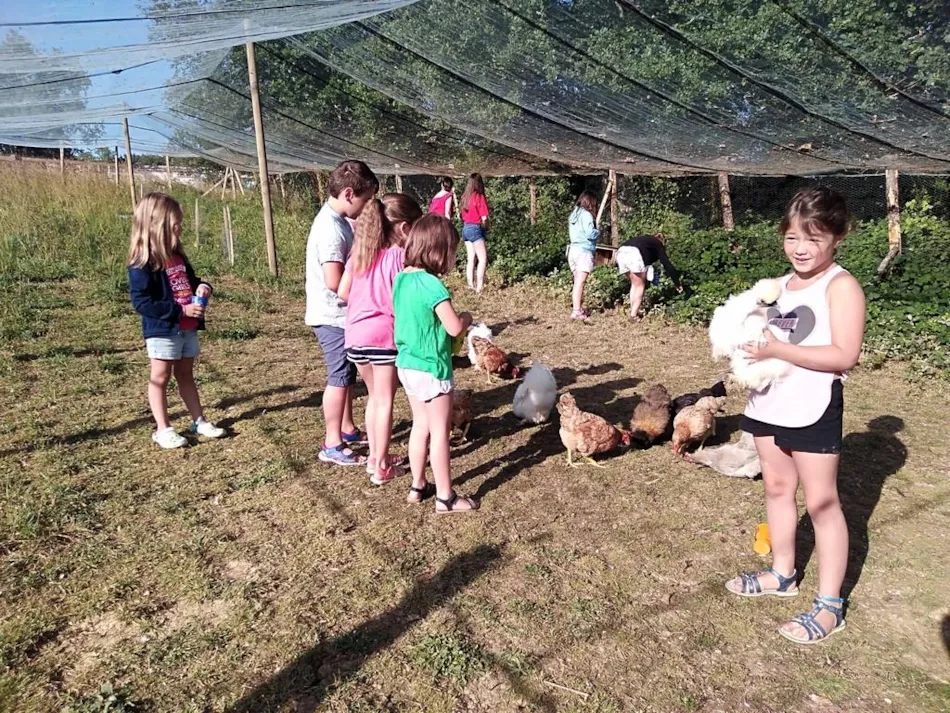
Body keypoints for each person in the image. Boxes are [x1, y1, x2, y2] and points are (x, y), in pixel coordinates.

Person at [725, 187, 866, 645]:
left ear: (837, 237)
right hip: (770, 402)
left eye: (813, 238)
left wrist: (778, 348)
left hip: (813, 407)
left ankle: (830, 607)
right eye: (791, 237)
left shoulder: (841, 286)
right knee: (777, 487)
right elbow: (766, 339)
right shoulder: (780, 287)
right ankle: (782, 573)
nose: (800, 248)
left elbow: (846, 354)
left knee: (822, 503)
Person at [393, 214, 479, 513]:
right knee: (440, 432)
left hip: (407, 364)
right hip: (432, 367)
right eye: (452, 251)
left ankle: (418, 485)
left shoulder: (402, 278)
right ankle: (446, 496)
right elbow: (454, 327)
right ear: (439, 251)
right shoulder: (432, 286)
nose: (453, 257)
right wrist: (467, 318)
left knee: (421, 425)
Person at [127, 192, 226, 449]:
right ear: (156, 225)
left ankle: (199, 420)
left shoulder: (178, 258)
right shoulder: (143, 263)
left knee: (186, 374)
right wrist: (180, 312)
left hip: (187, 329)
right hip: (163, 329)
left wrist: (203, 287)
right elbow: (142, 302)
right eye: (175, 224)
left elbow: (192, 283)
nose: (180, 229)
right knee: (160, 376)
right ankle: (163, 428)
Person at [338, 193, 422, 485]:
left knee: (374, 397)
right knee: (385, 399)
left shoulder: (361, 254)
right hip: (383, 335)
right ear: (403, 228)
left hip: (355, 335)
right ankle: (382, 466)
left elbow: (343, 291)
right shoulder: (400, 256)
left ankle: (375, 457)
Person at [306, 159, 379, 466]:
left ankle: (347, 429)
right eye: (365, 201)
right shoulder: (331, 231)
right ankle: (332, 442)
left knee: (347, 375)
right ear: (350, 194)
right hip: (332, 316)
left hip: (339, 315)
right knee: (338, 377)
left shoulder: (338, 222)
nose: (366, 208)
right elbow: (336, 282)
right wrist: (369, 301)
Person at [616, 232, 683, 321]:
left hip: (621, 252)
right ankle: (633, 316)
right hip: (634, 253)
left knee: (635, 284)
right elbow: (667, 264)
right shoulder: (658, 244)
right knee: (640, 286)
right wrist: (677, 282)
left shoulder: (645, 240)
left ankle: (633, 311)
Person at [567, 191, 600, 320]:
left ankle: (578, 308)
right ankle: (576, 311)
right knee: (580, 282)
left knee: (577, 282)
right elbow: (589, 234)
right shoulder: (586, 215)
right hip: (583, 251)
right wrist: (597, 232)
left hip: (573, 250)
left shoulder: (574, 214)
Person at [459, 173, 490, 293]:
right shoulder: (479, 196)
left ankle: (470, 285)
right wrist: (487, 228)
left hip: (465, 228)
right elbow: (484, 218)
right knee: (483, 259)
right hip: (475, 229)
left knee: (471, 259)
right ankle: (479, 287)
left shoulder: (465, 197)